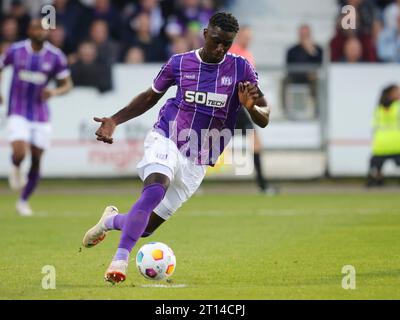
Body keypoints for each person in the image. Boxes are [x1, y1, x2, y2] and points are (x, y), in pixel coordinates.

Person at [82, 12, 270, 284]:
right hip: (168, 137)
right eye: (216, 41)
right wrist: (115, 120)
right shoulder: (180, 63)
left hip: (199, 159)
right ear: (205, 34)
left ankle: (110, 221)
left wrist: (252, 108)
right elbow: (150, 97)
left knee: (145, 227)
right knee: (155, 189)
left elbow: (264, 115)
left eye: (226, 44)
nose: (220, 48)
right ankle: (119, 261)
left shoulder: (241, 68)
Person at [0, 19, 73, 216]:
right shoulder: (16, 50)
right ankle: (15, 166)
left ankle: (23, 201)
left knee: (37, 159)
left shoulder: (55, 56)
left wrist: (55, 92)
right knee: (20, 151)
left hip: (41, 115)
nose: (40, 32)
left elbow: (67, 84)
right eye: (36, 28)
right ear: (29, 30)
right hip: (18, 110)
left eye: (43, 29)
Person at [229, 25, 278, 194]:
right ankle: (263, 185)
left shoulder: (248, 56)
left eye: (250, 36)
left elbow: (251, 84)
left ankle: (262, 184)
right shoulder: (233, 53)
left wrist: (258, 101)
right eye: (245, 35)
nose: (247, 39)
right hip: (230, 104)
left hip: (238, 106)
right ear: (238, 35)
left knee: (254, 140)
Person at [367, 84, 400, 187]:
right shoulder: (397, 107)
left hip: (380, 144)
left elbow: (374, 126)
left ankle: (377, 178)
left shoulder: (379, 109)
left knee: (375, 164)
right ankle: (377, 178)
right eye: (397, 91)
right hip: (396, 143)